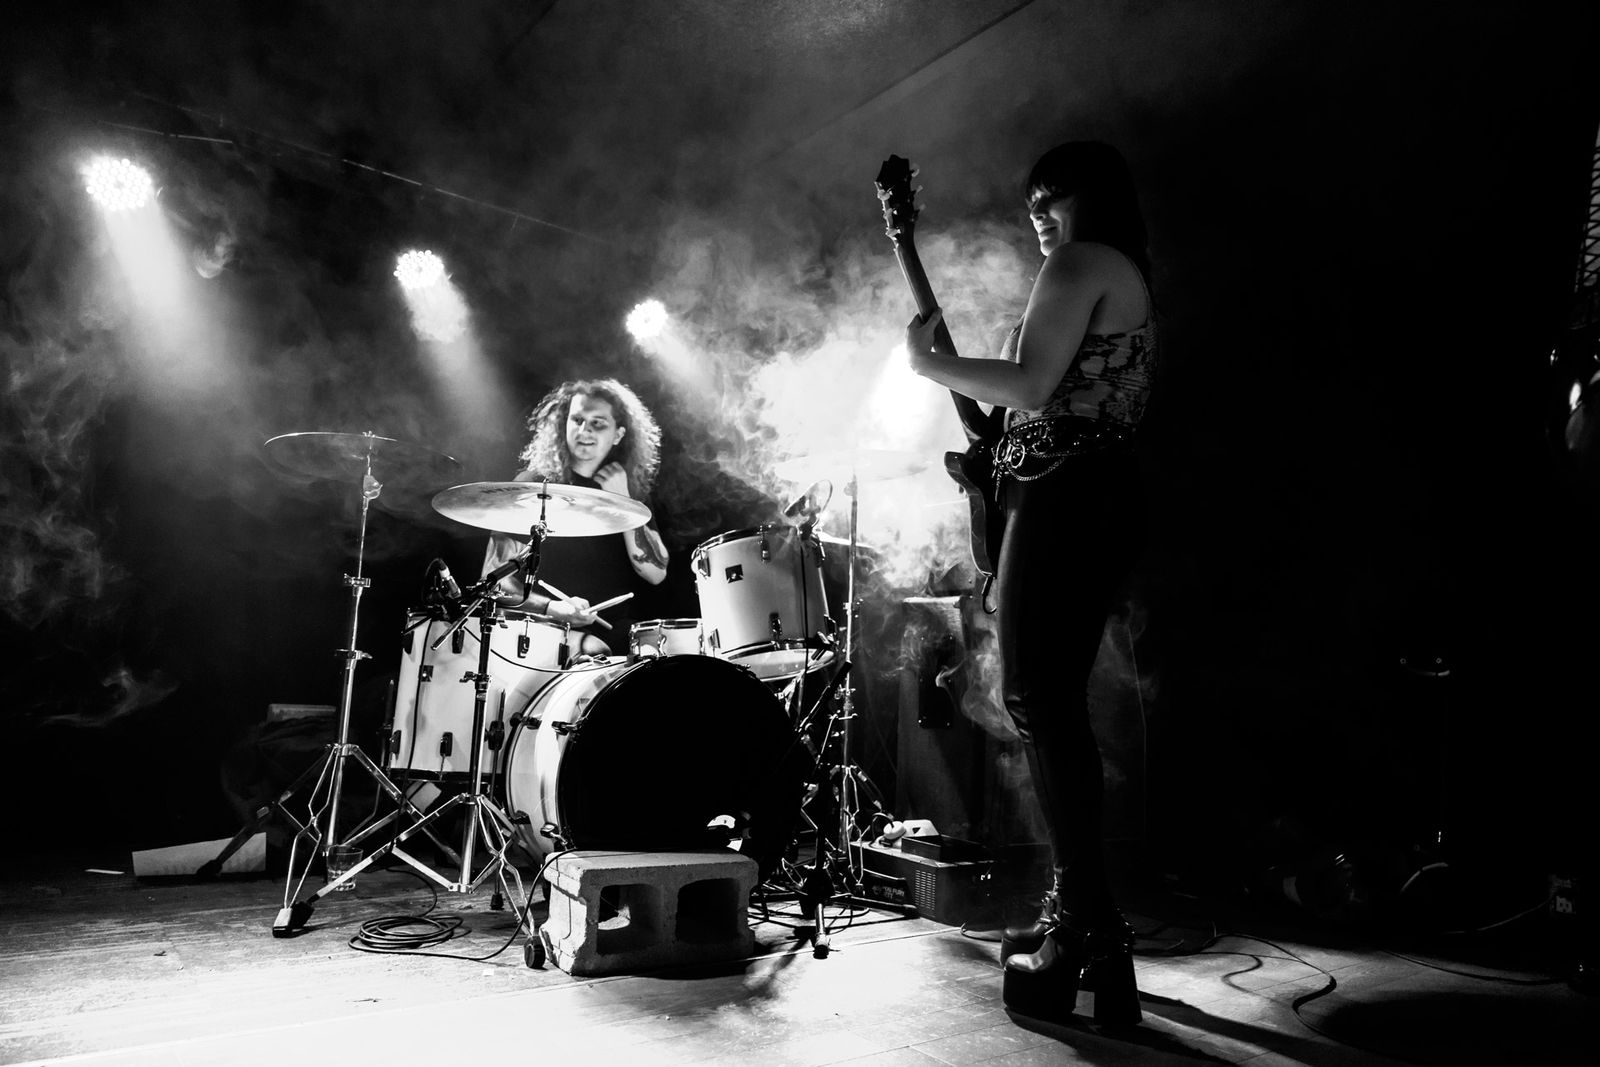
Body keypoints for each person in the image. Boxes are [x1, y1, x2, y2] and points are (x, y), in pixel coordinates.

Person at [904, 141, 1156, 1026]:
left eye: (1052, 195)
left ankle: (1086, 924)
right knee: (1049, 705)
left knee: (1040, 701)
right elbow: (1032, 403)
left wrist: (929, 366)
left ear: (1095, 196)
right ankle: (1091, 927)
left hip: (1069, 495)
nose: (1038, 214)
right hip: (1091, 493)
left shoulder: (1082, 261)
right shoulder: (1119, 270)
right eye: (1031, 201)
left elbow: (1035, 384)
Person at [479, 378, 669, 658]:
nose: (584, 430)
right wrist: (552, 607)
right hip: (545, 625)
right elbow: (494, 580)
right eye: (577, 420)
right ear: (564, 425)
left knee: (660, 655)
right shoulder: (534, 487)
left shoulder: (631, 492)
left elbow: (655, 573)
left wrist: (623, 499)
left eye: (597, 423)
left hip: (615, 629)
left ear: (618, 435)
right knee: (595, 651)